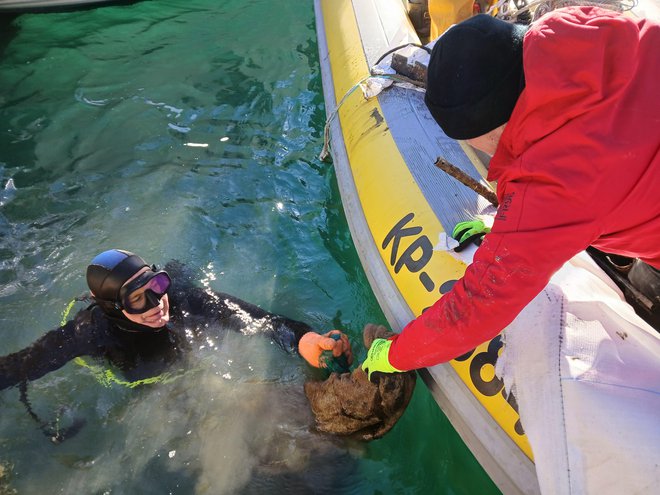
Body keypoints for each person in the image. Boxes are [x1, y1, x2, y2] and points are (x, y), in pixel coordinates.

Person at [362, 6, 660, 375]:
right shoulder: (566, 25)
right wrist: (507, 226)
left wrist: (393, 355)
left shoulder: (551, 186)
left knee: (648, 286)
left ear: (486, 131)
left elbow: (473, 310)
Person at [0, 249, 353, 393]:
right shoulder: (89, 332)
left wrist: (304, 340)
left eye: (157, 285)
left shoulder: (184, 298)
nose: (158, 304)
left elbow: (261, 320)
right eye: (138, 298)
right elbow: (20, 367)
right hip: (140, 370)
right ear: (112, 307)